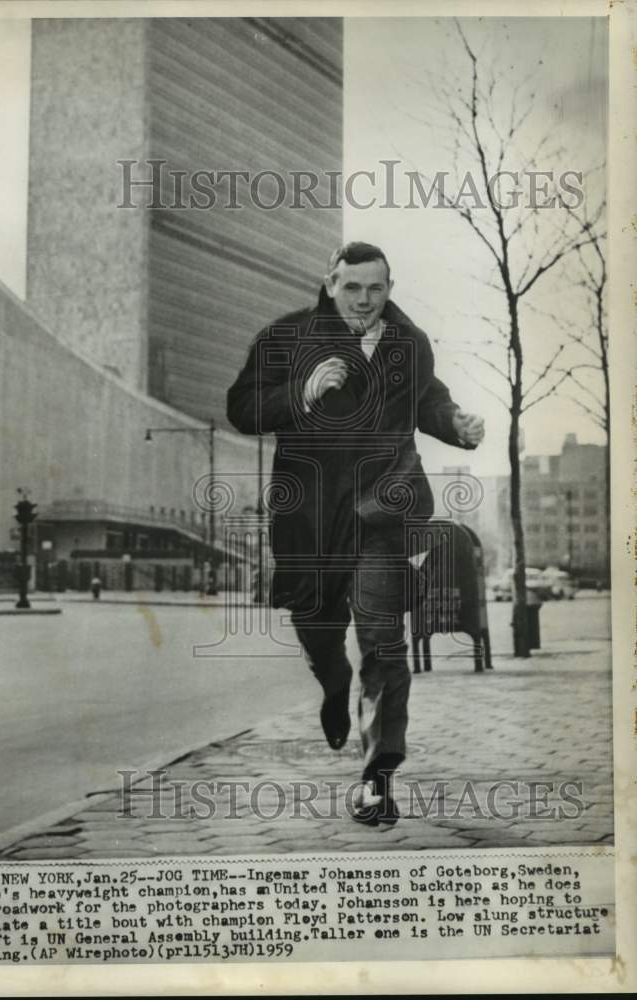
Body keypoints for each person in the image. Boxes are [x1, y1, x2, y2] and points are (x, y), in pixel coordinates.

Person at [226, 242, 484, 826]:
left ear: (389, 288)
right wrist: (303, 393)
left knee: (382, 640)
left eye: (376, 288)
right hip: (311, 513)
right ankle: (332, 677)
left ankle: (378, 778)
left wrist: (457, 425)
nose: (364, 301)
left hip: (383, 510)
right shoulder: (285, 338)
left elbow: (430, 402)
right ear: (330, 283)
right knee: (318, 628)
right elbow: (241, 408)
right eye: (352, 288)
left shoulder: (409, 343)